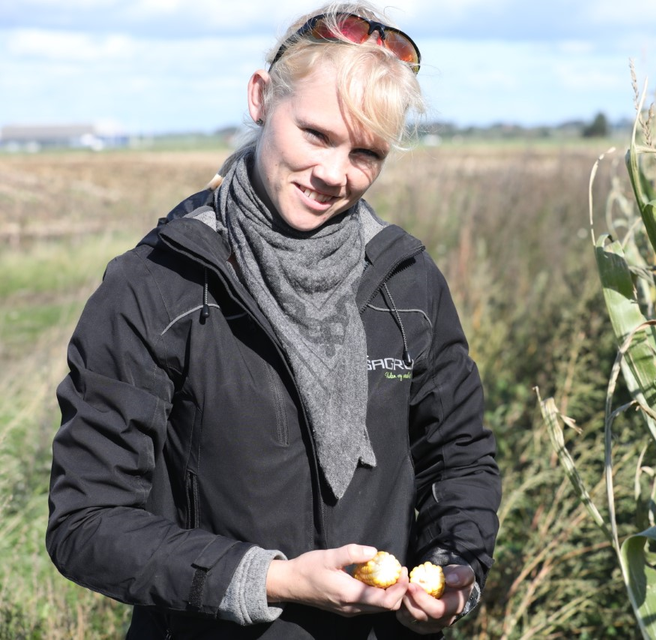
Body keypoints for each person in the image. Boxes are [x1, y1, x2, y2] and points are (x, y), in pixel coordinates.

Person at [45, 3, 501, 638]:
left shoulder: (407, 282)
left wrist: (457, 570)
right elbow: (86, 525)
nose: (335, 175)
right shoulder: (158, 285)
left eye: (366, 152)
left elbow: (461, 459)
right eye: (316, 134)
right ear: (260, 99)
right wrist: (274, 580)